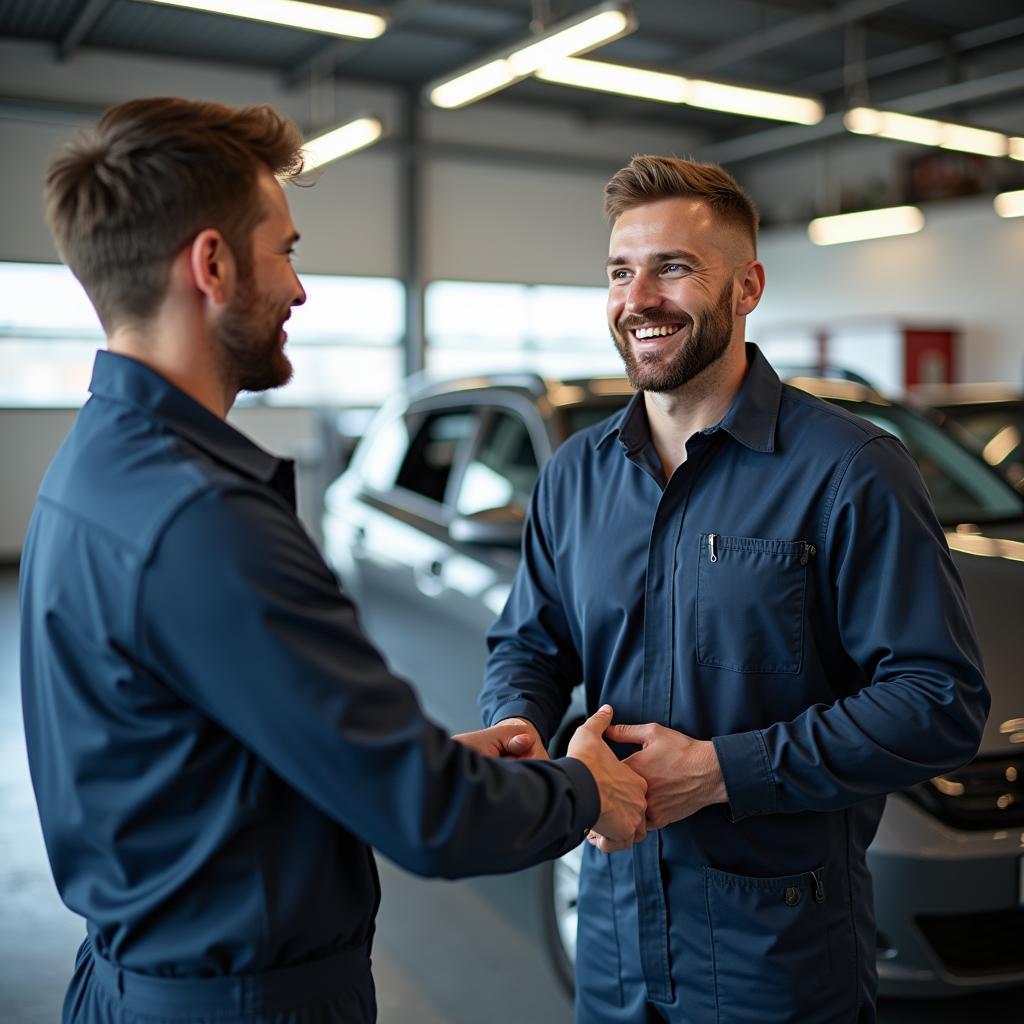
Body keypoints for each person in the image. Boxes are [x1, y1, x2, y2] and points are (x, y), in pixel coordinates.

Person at [19, 97, 648, 1024]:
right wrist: (586, 789)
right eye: (287, 251)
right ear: (214, 264)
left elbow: (222, 750)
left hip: (141, 979)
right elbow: (427, 818)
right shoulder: (206, 520)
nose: (300, 291)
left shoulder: (99, 466)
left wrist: (418, 757)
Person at [480, 155, 990, 1023]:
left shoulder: (849, 471)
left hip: (778, 948)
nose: (637, 298)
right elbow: (530, 643)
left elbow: (938, 699)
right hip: (611, 928)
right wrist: (524, 736)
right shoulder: (574, 477)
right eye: (619, 271)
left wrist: (721, 772)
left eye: (672, 267)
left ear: (747, 286)